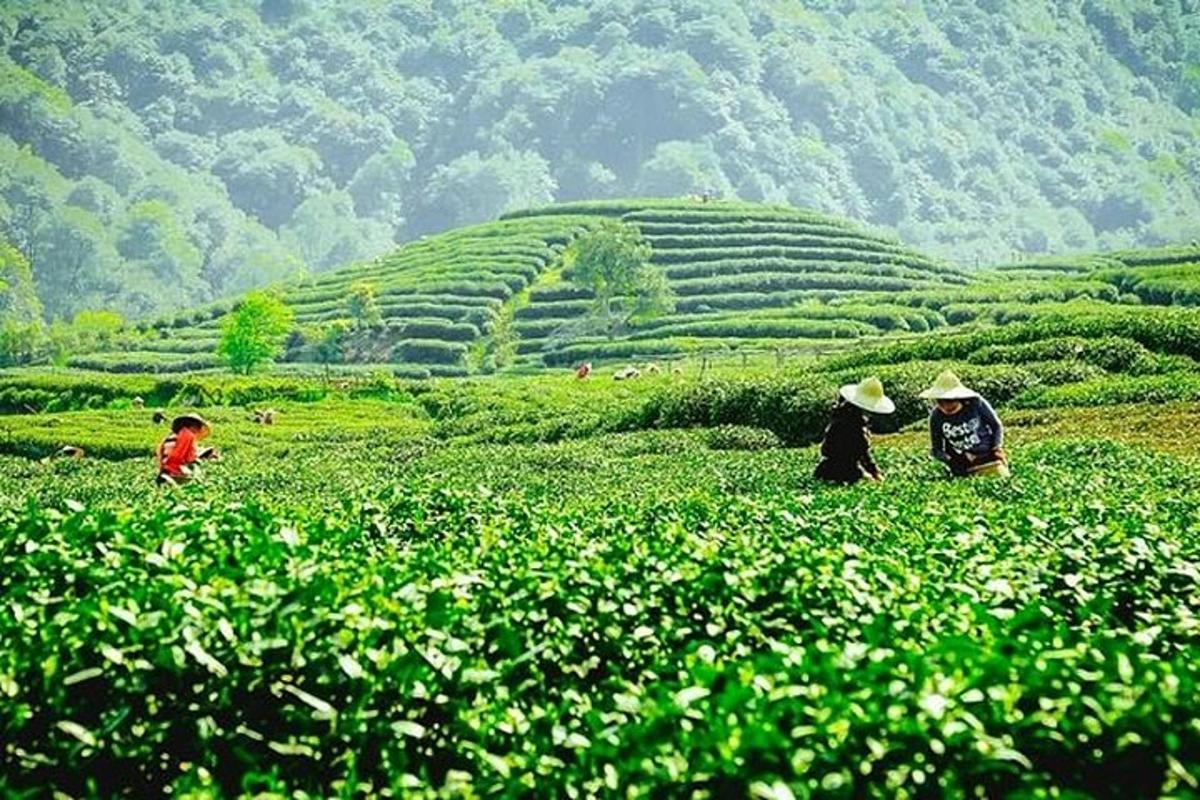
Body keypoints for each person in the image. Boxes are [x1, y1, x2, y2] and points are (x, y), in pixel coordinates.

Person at [920, 370, 1009, 478]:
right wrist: (953, 460)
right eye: (940, 402)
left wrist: (997, 447)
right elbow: (936, 450)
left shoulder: (976, 404)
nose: (945, 406)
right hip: (962, 464)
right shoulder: (936, 417)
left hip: (987, 456)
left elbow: (996, 425)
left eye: (949, 401)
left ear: (958, 398)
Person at [813, 376, 895, 485]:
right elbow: (861, 454)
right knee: (872, 485)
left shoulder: (841, 416)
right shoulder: (853, 425)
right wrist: (874, 473)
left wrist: (873, 472)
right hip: (844, 471)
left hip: (825, 469)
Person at [156, 414, 217, 486]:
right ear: (194, 426)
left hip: (164, 469)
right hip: (174, 471)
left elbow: (161, 452)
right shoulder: (188, 435)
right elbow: (182, 457)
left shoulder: (172, 435)